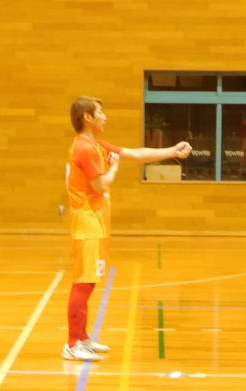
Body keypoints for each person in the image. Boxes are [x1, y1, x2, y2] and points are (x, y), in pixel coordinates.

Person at [63, 96, 192, 361]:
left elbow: (136, 154)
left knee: (90, 281)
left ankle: (83, 337)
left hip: (96, 222)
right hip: (87, 223)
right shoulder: (84, 149)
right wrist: (113, 168)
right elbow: (101, 185)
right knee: (84, 282)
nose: (105, 116)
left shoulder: (96, 146)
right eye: (100, 112)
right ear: (87, 117)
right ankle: (73, 343)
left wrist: (172, 151)